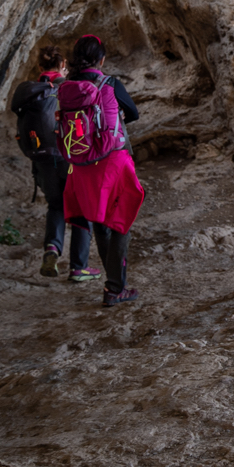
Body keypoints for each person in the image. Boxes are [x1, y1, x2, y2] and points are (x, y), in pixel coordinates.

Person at [57, 34, 145, 305]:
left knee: (100, 219)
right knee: (120, 220)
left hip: (82, 164)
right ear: (101, 59)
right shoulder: (110, 83)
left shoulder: (67, 87)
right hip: (113, 160)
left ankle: (113, 286)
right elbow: (133, 113)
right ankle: (115, 287)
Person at [10, 45, 74, 278]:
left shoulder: (28, 91)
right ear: (63, 64)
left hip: (41, 157)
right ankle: (79, 264)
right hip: (68, 156)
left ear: (39, 67)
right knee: (77, 207)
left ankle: (52, 249)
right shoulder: (67, 88)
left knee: (55, 205)